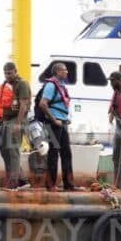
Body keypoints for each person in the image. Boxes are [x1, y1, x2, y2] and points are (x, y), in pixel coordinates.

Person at [38, 62, 75, 190]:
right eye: (64, 70)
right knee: (53, 153)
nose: (66, 72)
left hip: (62, 122)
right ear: (57, 72)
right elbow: (43, 104)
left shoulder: (62, 86)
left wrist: (65, 119)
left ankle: (69, 184)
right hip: (54, 123)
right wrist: (54, 120)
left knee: (66, 153)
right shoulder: (50, 85)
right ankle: (50, 185)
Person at [0, 62, 31, 189]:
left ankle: (14, 181)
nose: (8, 75)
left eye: (10, 73)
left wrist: (18, 123)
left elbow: (23, 105)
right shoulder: (5, 85)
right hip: (5, 120)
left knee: (13, 150)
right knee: (3, 149)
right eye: (6, 73)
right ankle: (22, 179)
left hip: (16, 119)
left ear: (15, 71)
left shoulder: (22, 84)